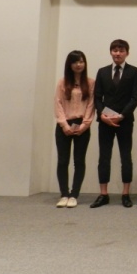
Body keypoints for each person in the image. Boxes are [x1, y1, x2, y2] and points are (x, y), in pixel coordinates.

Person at [91, 39, 137, 208]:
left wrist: (122, 115)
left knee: (126, 157)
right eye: (115, 50)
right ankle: (103, 194)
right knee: (104, 157)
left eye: (121, 50)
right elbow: (97, 97)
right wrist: (102, 115)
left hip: (125, 121)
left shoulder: (134, 71)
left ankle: (125, 194)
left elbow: (135, 98)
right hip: (105, 121)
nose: (118, 53)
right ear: (111, 52)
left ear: (127, 53)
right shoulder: (102, 71)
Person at [54, 50, 95, 208]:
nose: (79, 65)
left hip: (82, 125)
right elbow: (58, 104)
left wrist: (85, 125)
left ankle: (74, 194)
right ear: (69, 64)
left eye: (81, 61)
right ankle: (64, 194)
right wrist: (64, 125)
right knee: (63, 160)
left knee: (79, 161)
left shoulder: (90, 83)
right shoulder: (62, 82)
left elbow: (91, 105)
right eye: (75, 62)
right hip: (64, 125)